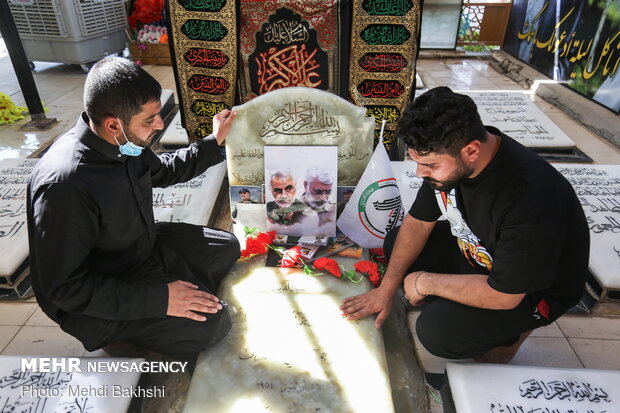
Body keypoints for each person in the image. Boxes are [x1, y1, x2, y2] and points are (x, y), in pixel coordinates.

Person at [341, 86, 589, 363]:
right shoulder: (455, 152)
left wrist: (426, 283)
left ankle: (510, 335)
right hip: (482, 253)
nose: (420, 172)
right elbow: (418, 223)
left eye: (431, 166)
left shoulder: (529, 196)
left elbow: (505, 296)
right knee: (396, 241)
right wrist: (385, 289)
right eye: (418, 162)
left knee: (437, 331)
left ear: (471, 151)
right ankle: (461, 305)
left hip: (531, 289)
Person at [27, 57, 239, 369]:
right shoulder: (66, 185)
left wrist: (214, 141)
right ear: (114, 123)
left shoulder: (122, 142)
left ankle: (174, 297)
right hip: (100, 289)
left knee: (226, 247)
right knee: (213, 324)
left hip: (134, 248)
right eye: (150, 119)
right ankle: (123, 335)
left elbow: (162, 171)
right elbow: (64, 289)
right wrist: (159, 298)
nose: (160, 126)